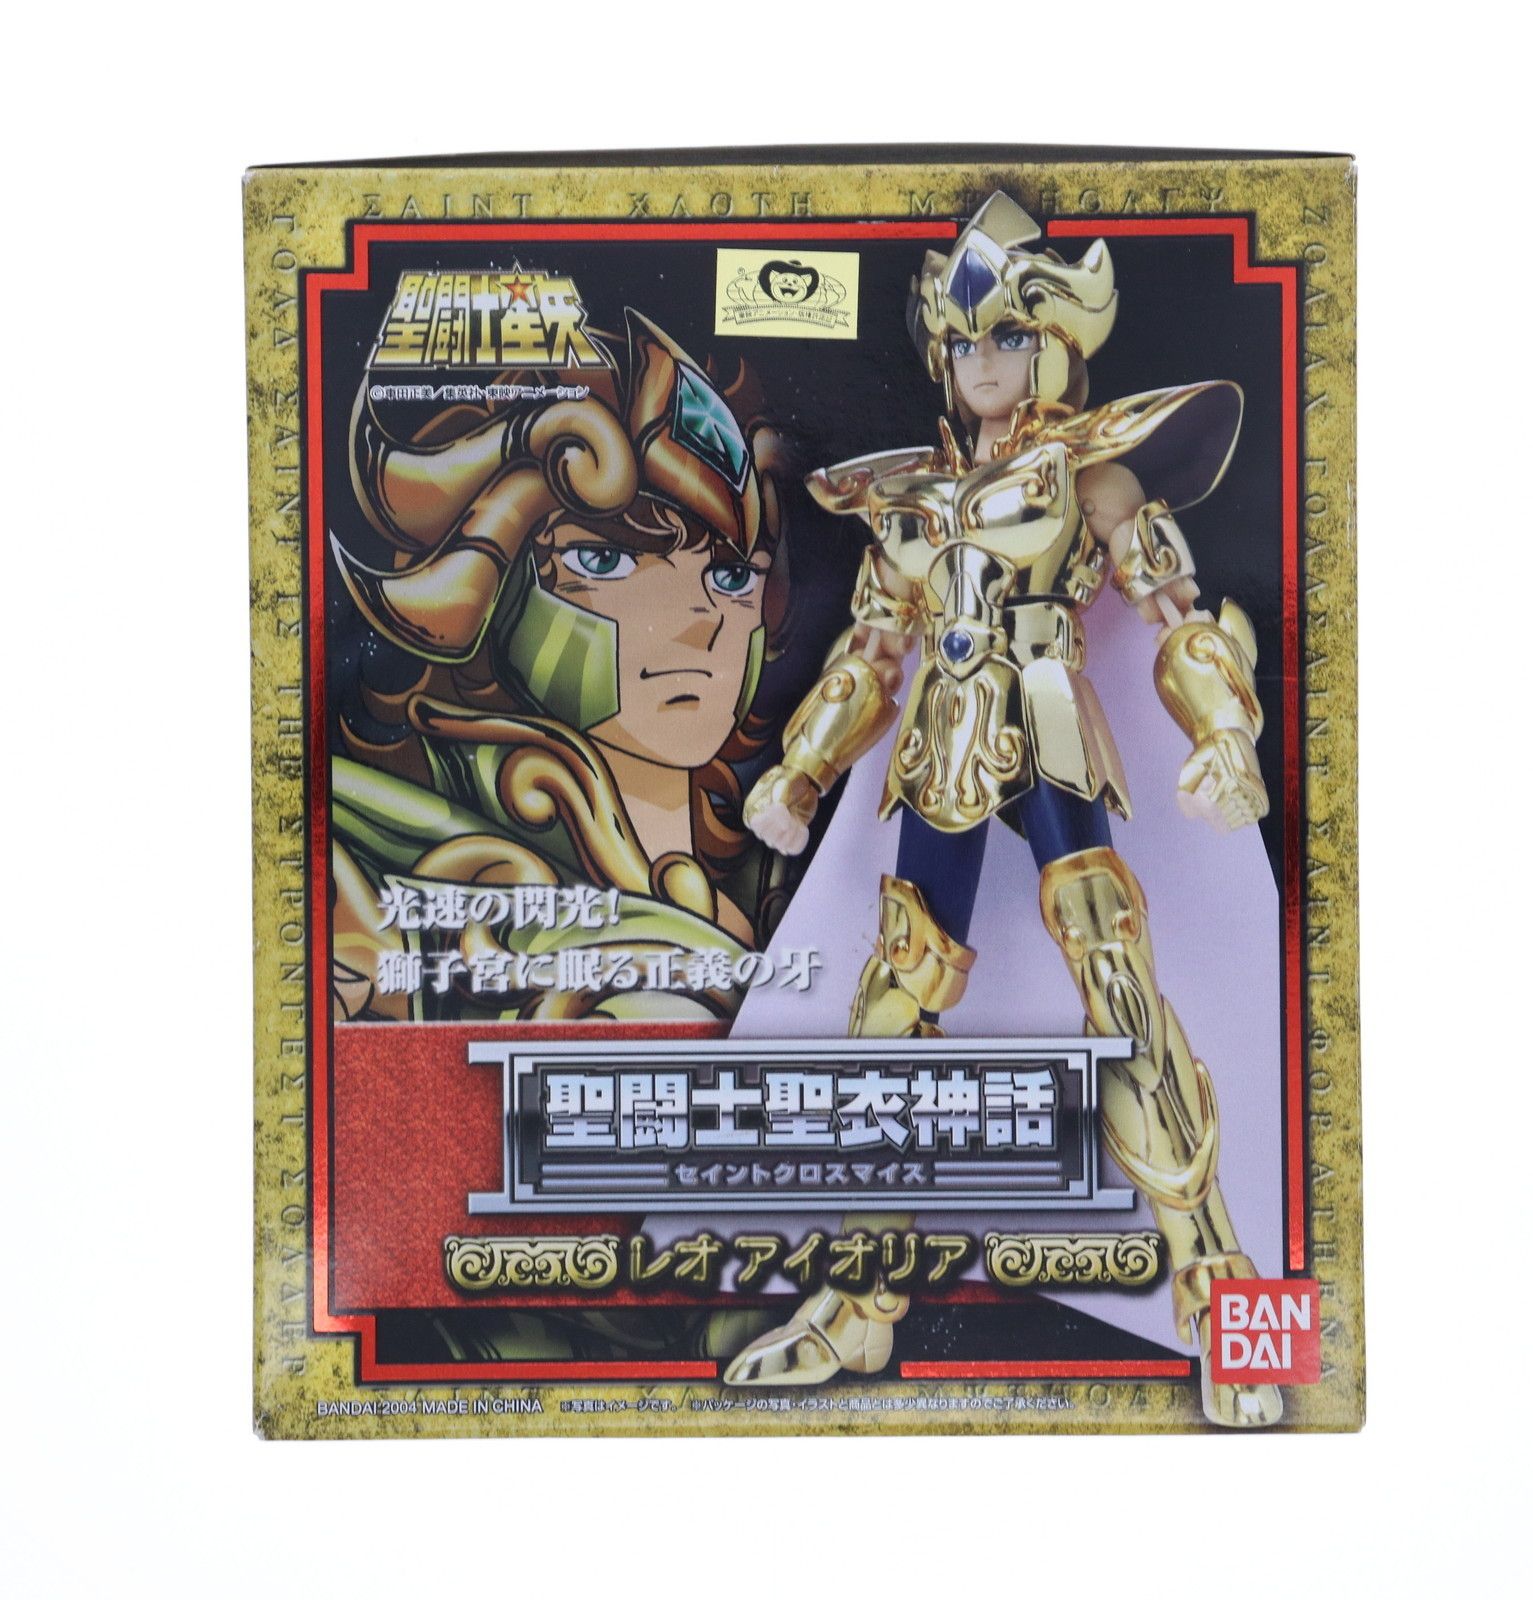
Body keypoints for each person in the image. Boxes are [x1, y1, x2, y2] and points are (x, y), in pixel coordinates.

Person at [726, 192, 1282, 1426]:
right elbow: (872, 653)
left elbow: (1175, 615)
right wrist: (802, 768)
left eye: (1011, 336)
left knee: (1116, 977)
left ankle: (1217, 1287)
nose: (985, 360)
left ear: (1058, 345)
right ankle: (859, 1298)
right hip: (941, 742)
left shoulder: (1090, 473)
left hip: (1052, 722)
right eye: (965, 339)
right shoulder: (907, 496)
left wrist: (1224, 730)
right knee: (892, 1000)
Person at [328, 310, 799, 1024]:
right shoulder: (395, 867)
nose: (698, 622)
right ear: (495, 592)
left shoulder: (782, 875)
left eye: (733, 577)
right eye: (603, 561)